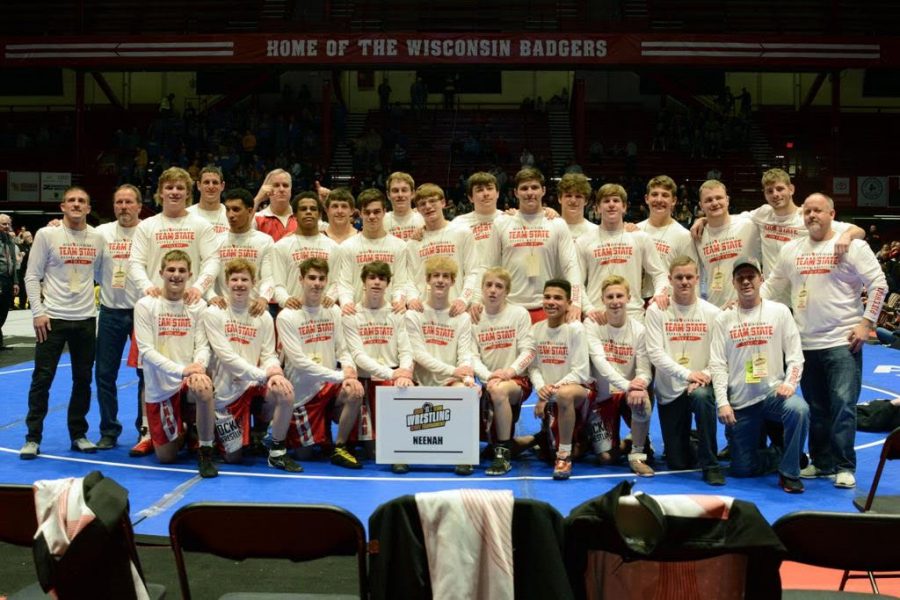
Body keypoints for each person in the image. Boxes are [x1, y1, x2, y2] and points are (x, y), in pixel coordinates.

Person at [762, 193, 888, 489]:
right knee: (816, 408)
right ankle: (821, 462)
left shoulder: (852, 246)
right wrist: (740, 304)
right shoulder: (791, 249)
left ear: (832, 214)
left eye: (818, 210)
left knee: (843, 405)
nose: (811, 216)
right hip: (806, 343)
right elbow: (773, 286)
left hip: (843, 341)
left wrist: (866, 323)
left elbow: (879, 285)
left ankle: (845, 466)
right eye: (807, 211)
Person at [709, 257, 809, 493]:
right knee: (741, 470)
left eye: (751, 276)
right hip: (742, 402)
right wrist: (723, 403)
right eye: (740, 278)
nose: (746, 282)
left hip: (773, 396)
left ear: (761, 279)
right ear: (733, 283)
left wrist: (790, 384)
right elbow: (717, 364)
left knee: (799, 409)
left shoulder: (780, 311)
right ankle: (779, 453)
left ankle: (789, 471)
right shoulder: (724, 319)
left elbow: (795, 355)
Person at [20, 187, 105, 459]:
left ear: (89, 208)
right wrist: (38, 312)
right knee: (42, 379)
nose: (77, 204)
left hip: (85, 319)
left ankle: (78, 434)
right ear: (62, 206)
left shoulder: (97, 237)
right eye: (72, 200)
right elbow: (31, 276)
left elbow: (102, 275)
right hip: (52, 319)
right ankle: (32, 437)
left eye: (82, 201)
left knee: (82, 380)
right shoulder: (48, 234)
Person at [203, 258, 299, 472]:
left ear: (253, 283)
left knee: (285, 391)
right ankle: (202, 431)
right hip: (226, 391)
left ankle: (276, 451)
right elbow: (227, 357)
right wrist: (263, 375)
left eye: (244, 279)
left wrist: (275, 372)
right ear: (227, 283)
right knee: (233, 458)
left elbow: (269, 354)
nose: (239, 284)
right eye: (234, 279)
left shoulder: (262, 315)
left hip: (253, 384)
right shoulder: (214, 312)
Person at [277, 257, 365, 469]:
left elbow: (342, 349)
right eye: (312, 278)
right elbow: (298, 362)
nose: (317, 283)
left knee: (355, 391)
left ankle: (340, 446)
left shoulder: (333, 311)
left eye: (321, 279)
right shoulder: (287, 316)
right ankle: (318, 431)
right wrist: (339, 375)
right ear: (301, 279)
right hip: (303, 393)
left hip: (328, 387)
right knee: (304, 455)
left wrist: (349, 371)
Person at [644, 256, 724, 484]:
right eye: (679, 277)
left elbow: (719, 357)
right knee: (678, 462)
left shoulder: (713, 313)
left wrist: (704, 376)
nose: (684, 282)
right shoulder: (656, 312)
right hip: (671, 388)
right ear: (670, 280)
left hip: (699, 386)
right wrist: (686, 374)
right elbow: (655, 354)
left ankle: (711, 464)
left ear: (698, 279)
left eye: (689, 277)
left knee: (701, 397)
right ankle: (693, 440)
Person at [134, 250, 214, 476]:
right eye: (171, 270)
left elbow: (203, 345)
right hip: (161, 385)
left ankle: (206, 451)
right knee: (166, 458)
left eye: (181, 271)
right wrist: (181, 370)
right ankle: (186, 429)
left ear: (190, 274)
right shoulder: (145, 305)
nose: (176, 275)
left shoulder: (198, 306)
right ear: (161, 273)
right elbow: (146, 351)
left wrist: (197, 367)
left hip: (188, 379)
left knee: (204, 387)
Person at [404, 256, 477, 475]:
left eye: (446, 276)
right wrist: (454, 370)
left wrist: (466, 378)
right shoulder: (413, 314)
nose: (440, 280)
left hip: (449, 382)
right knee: (397, 388)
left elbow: (465, 353)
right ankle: (402, 454)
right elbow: (418, 354)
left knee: (467, 392)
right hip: (419, 380)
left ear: (453, 281)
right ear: (427, 279)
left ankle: (463, 455)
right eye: (436, 276)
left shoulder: (462, 318)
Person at [485, 168, 583, 323]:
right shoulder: (502, 222)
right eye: (524, 188)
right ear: (516, 192)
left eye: (534, 187)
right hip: (509, 306)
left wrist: (576, 302)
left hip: (547, 307)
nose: (529, 192)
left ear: (543, 191)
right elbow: (490, 266)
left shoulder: (557, 223)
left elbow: (570, 266)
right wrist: (481, 300)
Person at [343, 261, 415, 471]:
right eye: (372, 277)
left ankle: (400, 452)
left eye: (382, 279)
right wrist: (392, 373)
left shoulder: (397, 313)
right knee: (372, 453)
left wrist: (405, 373)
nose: (376, 282)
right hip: (365, 380)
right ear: (363, 282)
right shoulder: (350, 314)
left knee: (385, 450)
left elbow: (407, 349)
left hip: (390, 379)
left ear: (388, 284)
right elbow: (358, 355)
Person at [584, 276, 654, 476]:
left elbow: (644, 370)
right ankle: (629, 441)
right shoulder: (592, 324)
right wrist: (628, 385)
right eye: (610, 297)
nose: (615, 301)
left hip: (627, 394)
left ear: (629, 298)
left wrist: (639, 385)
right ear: (602, 299)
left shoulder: (639, 330)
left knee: (644, 401)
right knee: (606, 459)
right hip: (601, 396)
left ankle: (637, 455)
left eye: (619, 296)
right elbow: (600, 362)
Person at [471, 267, 535, 475]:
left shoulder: (519, 314)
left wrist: (509, 371)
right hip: (488, 380)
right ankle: (524, 441)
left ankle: (503, 453)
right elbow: (472, 356)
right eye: (488, 285)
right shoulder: (474, 318)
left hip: (517, 381)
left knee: (498, 391)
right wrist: (488, 376)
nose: (493, 290)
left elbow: (529, 350)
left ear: (507, 291)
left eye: (499, 286)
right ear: (481, 289)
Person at [93, 185, 143, 450]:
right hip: (111, 311)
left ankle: (143, 429)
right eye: (119, 202)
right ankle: (109, 430)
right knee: (104, 374)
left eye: (129, 202)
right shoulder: (101, 233)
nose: (124, 206)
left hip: (142, 313)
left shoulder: (148, 231)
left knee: (146, 375)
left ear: (138, 205)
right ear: (114, 206)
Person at [578, 183, 669, 324]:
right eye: (606, 201)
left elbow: (660, 273)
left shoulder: (640, 238)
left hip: (632, 314)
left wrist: (659, 294)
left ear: (624, 207)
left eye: (616, 200)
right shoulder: (583, 241)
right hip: (597, 314)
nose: (611, 205)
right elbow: (576, 282)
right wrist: (588, 308)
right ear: (597, 208)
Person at [529, 279, 592, 480]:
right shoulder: (536, 329)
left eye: (558, 298)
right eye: (547, 297)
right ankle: (538, 438)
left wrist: (549, 393)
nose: (551, 302)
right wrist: (541, 389)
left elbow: (581, 372)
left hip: (578, 392)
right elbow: (533, 367)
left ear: (568, 303)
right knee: (544, 452)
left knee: (564, 395)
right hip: (550, 394)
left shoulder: (576, 329)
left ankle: (564, 457)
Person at [404, 183, 480, 315]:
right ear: (418, 209)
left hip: (457, 309)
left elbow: (472, 272)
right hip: (424, 312)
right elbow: (409, 278)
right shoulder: (413, 243)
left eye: (432, 201)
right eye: (422, 204)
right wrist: (411, 298)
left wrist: (464, 299)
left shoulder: (462, 232)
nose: (428, 206)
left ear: (443, 203)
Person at [336, 189, 408, 316]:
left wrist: (398, 301)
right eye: (367, 212)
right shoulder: (347, 247)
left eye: (376, 212)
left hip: (390, 315)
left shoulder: (400, 246)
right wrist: (346, 303)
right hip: (357, 315)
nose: (372, 216)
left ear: (385, 212)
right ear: (360, 214)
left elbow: (401, 282)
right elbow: (345, 283)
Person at [271, 192, 341, 312]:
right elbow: (276, 283)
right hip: (293, 313)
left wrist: (331, 296)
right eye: (303, 209)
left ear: (319, 214)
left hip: (323, 314)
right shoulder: (280, 246)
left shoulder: (333, 247)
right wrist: (285, 299)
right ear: (294, 215)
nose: (308, 212)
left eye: (313, 209)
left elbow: (338, 281)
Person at [695, 180, 760, 308]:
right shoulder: (697, 235)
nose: (714, 203)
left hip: (749, 305)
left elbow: (777, 216)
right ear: (701, 205)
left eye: (719, 198)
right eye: (708, 200)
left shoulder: (749, 225)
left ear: (727, 200)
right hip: (716, 307)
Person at [210, 188, 275, 314]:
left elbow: (269, 277)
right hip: (223, 311)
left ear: (250, 211)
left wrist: (264, 298)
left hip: (255, 310)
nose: (230, 215)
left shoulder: (265, 241)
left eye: (236, 209)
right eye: (228, 209)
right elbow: (208, 276)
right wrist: (211, 296)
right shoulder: (215, 241)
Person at [636, 175, 698, 300]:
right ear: (646, 199)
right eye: (654, 194)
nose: (659, 199)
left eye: (665, 195)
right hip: (636, 302)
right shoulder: (635, 231)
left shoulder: (683, 236)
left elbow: (691, 276)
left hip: (669, 303)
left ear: (674, 200)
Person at [253, 168, 297, 242]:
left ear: (291, 190)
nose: (281, 189)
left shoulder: (300, 216)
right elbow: (240, 232)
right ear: (267, 189)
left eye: (285, 185)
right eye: (276, 185)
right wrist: (258, 199)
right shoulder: (257, 218)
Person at [382, 172, 425, 241]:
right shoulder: (380, 221)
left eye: (404, 190)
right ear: (388, 195)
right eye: (395, 191)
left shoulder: (424, 219)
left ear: (413, 193)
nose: (400, 195)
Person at [187, 165, 229, 234]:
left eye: (215, 182)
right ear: (198, 185)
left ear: (222, 186)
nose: (211, 186)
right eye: (206, 182)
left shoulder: (231, 215)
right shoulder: (187, 215)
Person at [558, 173, 598, 240]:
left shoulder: (596, 231)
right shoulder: (549, 229)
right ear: (559, 199)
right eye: (568, 196)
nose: (573, 200)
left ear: (586, 201)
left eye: (578, 196)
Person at [0, 213, 20, 350]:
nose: (7, 227)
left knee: (3, 311)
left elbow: (13, 261)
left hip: (8, 279)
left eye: (8, 224)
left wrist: (15, 282)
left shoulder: (9, 240)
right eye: (3, 224)